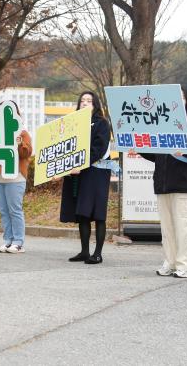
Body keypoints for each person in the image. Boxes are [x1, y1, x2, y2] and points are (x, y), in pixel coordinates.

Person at [139, 87, 187, 278]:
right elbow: (156, 155)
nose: (177, 102)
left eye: (181, 98)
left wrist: (183, 152)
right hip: (162, 184)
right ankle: (170, 262)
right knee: (167, 228)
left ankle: (184, 265)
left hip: (183, 185)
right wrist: (140, 150)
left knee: (183, 227)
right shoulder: (160, 123)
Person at [59, 91, 111, 264]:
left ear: (95, 104)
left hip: (96, 172)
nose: (85, 103)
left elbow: (99, 149)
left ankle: (98, 253)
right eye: (82, 101)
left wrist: (80, 163)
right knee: (82, 212)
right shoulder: (72, 123)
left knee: (98, 212)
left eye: (89, 101)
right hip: (78, 172)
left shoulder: (102, 123)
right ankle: (84, 251)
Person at [0, 101, 33, 254]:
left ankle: (18, 242)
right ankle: (8, 240)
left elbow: (27, 153)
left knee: (15, 210)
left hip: (16, 177)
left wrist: (20, 144)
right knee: (3, 210)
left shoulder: (22, 132)